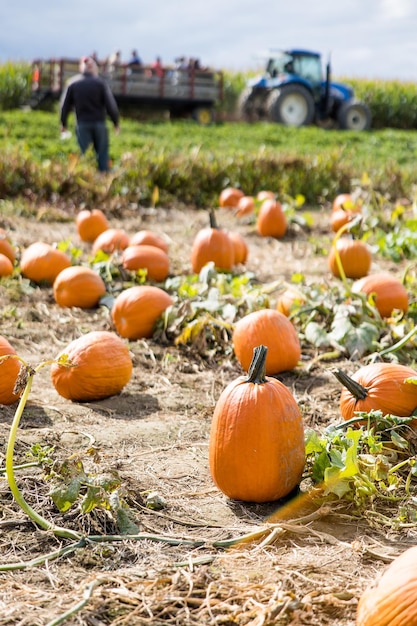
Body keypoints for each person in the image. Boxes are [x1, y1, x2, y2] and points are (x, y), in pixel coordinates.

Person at [60, 56, 120, 173]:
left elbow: (65, 106)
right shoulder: (100, 84)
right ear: (94, 69)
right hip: (99, 124)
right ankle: (104, 180)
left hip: (82, 124)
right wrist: (115, 122)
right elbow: (111, 105)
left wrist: (63, 123)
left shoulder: (73, 84)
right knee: (102, 154)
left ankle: (89, 178)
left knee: (86, 153)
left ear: (81, 68)